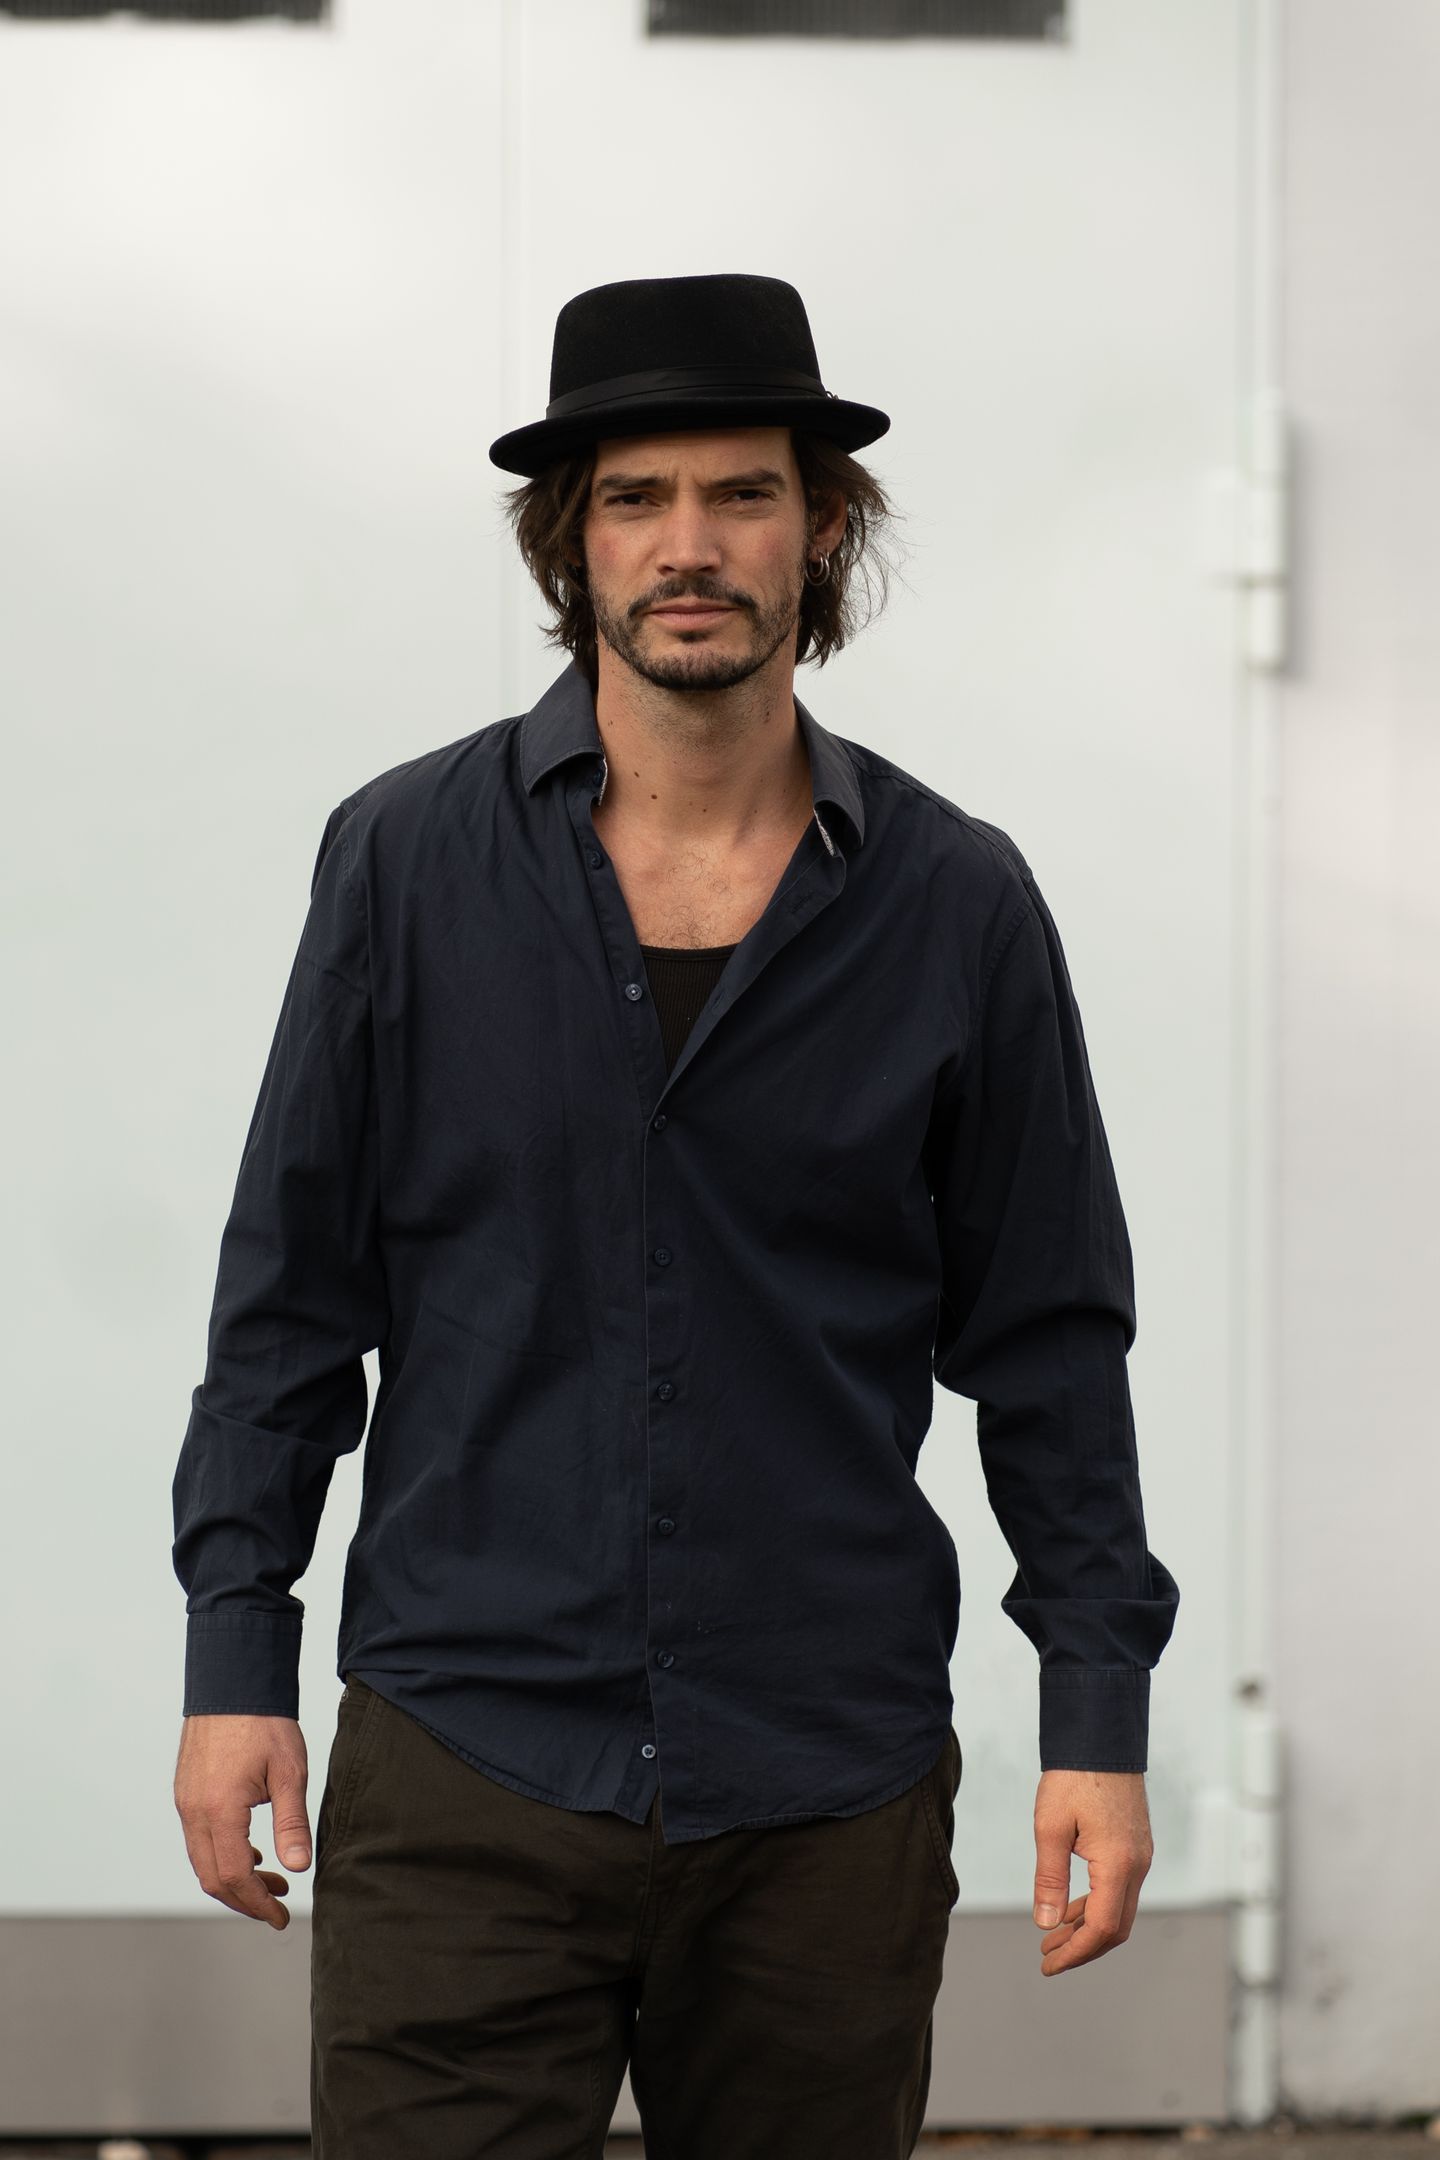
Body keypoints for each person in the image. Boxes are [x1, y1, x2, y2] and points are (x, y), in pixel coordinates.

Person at [172, 272, 1179, 2159]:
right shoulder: (403, 861)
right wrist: (238, 1656)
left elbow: (1052, 1339)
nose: (690, 546)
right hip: (466, 1754)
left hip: (825, 1784)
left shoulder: (958, 901)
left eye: (744, 494)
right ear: (572, 540)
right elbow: (289, 1301)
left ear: (824, 529)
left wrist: (1096, 1712)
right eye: (636, 498)